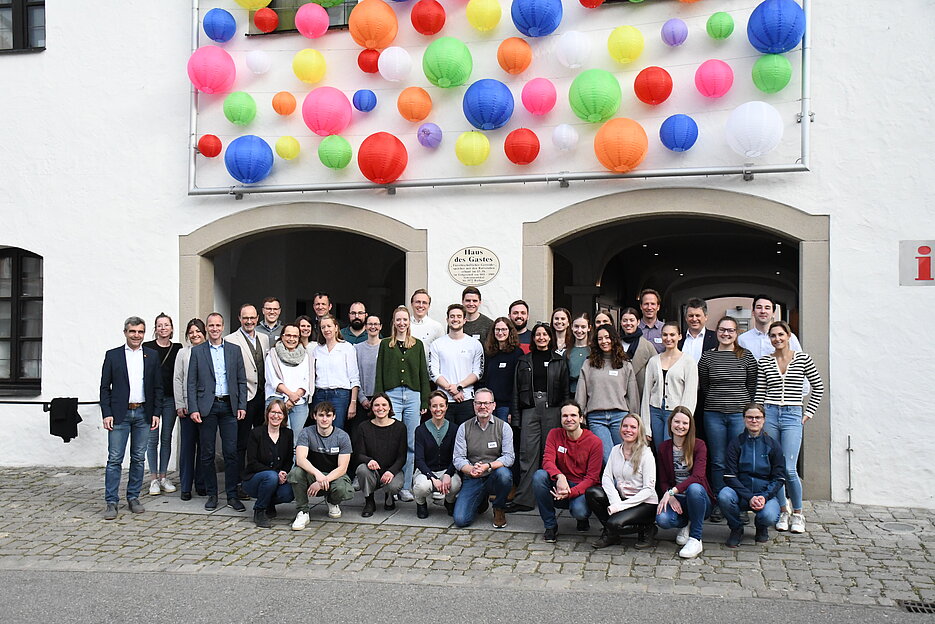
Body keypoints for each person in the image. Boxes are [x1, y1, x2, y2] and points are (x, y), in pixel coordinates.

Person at [756, 320, 824, 534]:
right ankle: (783, 510)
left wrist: (808, 413)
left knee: (789, 468)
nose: (777, 339)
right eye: (773, 336)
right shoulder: (765, 361)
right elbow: (760, 392)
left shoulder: (802, 359)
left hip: (793, 414)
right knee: (775, 466)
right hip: (770, 414)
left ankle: (798, 513)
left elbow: (818, 386)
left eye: (780, 335)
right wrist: (759, 418)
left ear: (788, 336)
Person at [100, 316, 163, 519]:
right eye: (133, 331)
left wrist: (156, 413)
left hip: (143, 413)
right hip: (120, 414)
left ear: (144, 333)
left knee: (138, 458)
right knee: (114, 459)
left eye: (140, 332)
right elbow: (104, 387)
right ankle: (111, 502)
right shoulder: (113, 355)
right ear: (125, 332)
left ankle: (133, 497)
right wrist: (107, 413)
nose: (136, 335)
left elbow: (158, 387)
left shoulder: (151, 355)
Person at [698, 316, 758, 522]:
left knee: (739, 460)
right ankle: (718, 502)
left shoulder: (746, 356)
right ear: (716, 332)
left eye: (730, 330)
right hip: (714, 414)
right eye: (722, 330)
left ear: (736, 333)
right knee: (717, 460)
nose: (726, 334)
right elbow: (705, 386)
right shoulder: (707, 357)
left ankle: (740, 503)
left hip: (738, 415)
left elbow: (752, 386)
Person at [187, 312, 248, 512]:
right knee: (207, 453)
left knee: (231, 453)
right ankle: (212, 494)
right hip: (208, 407)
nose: (214, 329)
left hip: (229, 406)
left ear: (223, 327)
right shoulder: (198, 352)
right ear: (207, 328)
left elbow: (241, 380)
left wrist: (242, 405)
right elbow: (191, 383)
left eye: (218, 325)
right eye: (211, 325)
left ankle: (232, 495)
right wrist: (193, 408)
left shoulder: (234, 350)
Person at [508, 322, 569, 512]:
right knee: (527, 453)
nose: (541, 337)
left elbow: (566, 391)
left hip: (553, 409)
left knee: (551, 454)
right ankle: (524, 499)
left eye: (545, 334)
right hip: (530, 408)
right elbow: (516, 390)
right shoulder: (524, 361)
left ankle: (555, 496)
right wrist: (516, 417)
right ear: (533, 338)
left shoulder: (559, 361)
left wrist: (565, 415)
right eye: (538, 335)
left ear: (550, 338)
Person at [374, 305, 432, 502]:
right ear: (394, 322)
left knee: (411, 442)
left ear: (409, 322)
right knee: (393, 440)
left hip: (413, 396)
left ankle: (405, 486)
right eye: (398, 319)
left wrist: (424, 399)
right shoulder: (385, 344)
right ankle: (391, 485)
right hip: (392, 397)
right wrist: (379, 399)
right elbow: (379, 372)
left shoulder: (417, 345)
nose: (401, 323)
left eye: (405, 319)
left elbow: (423, 373)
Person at [533, 401, 603, 543]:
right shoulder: (554, 434)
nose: (569, 419)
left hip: (581, 487)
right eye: (565, 416)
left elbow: (592, 478)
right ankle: (550, 526)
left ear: (581, 418)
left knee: (580, 512)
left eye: (573, 415)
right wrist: (560, 476)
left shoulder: (595, 442)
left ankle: (582, 519)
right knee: (539, 476)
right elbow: (547, 461)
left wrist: (571, 493)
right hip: (560, 483)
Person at [585, 414, 658, 549]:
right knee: (592, 493)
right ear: (620, 429)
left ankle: (647, 528)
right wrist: (615, 501)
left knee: (615, 523)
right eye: (625, 426)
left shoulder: (646, 454)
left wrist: (621, 507)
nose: (628, 430)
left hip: (644, 503)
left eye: (633, 427)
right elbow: (606, 477)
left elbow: (649, 489)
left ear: (639, 431)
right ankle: (611, 534)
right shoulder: (615, 450)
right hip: (621, 498)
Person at [719, 403, 785, 547]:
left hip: (764, 495)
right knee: (724, 496)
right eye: (750, 417)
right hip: (741, 494)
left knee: (769, 516)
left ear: (764, 419)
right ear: (744, 419)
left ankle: (761, 526)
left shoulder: (773, 445)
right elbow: (729, 476)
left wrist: (764, 496)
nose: (754, 420)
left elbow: (779, 477)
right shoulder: (735, 444)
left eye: (757, 417)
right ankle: (736, 528)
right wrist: (749, 497)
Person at [225, 303, 271, 499]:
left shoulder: (264, 338)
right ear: (239, 318)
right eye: (245, 318)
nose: (249, 321)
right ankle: (238, 483)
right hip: (244, 397)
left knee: (261, 440)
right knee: (241, 442)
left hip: (263, 396)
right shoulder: (230, 340)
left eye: (252, 318)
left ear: (258, 318)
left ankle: (258, 479)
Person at [575, 323, 640, 462]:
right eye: (600, 339)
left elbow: (632, 394)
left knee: (626, 456)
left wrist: (634, 418)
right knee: (608, 458)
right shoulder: (588, 364)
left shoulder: (625, 364)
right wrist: (579, 416)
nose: (604, 341)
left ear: (614, 339)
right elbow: (581, 392)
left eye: (607, 337)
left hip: (620, 417)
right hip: (596, 418)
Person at [654, 406, 713, 559]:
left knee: (694, 488)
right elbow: (663, 480)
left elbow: (698, 476)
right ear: (670, 423)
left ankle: (695, 538)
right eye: (677, 422)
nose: (680, 426)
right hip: (678, 500)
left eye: (685, 423)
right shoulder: (664, 447)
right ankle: (685, 523)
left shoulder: (699, 445)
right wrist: (671, 496)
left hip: (699, 499)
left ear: (690, 426)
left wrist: (672, 491)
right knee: (662, 520)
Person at [451, 388, 515, 528]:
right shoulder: (464, 427)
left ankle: (499, 507)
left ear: (493, 405)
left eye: (486, 403)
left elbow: (509, 457)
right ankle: (481, 500)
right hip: (472, 476)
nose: (482, 406)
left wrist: (488, 466)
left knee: (505, 475)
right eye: (479, 403)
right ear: (473, 405)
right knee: (461, 520)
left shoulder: (504, 427)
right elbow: (458, 458)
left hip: (494, 475)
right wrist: (470, 469)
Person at [289, 401, 356, 529]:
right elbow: (300, 460)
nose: (324, 419)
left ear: (334, 417)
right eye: (321, 415)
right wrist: (317, 475)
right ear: (314, 416)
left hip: (334, 476)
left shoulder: (342, 436)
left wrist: (322, 482)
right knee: (295, 473)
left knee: (342, 489)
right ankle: (303, 511)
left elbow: (342, 468)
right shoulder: (306, 432)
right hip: (313, 474)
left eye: (328, 415)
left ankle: (332, 501)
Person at [641, 321, 698, 451]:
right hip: (655, 411)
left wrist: (684, 420)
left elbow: (690, 394)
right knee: (659, 450)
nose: (668, 338)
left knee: (673, 450)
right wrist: (646, 425)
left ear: (680, 336)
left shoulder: (688, 362)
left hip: (675, 412)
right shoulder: (653, 361)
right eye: (665, 335)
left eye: (672, 335)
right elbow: (646, 393)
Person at [143, 312, 182, 496]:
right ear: (155, 328)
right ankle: (153, 479)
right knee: (152, 440)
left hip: (170, 399)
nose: (163, 328)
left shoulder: (177, 348)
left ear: (171, 328)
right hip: (152, 400)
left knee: (166, 438)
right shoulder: (147, 347)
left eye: (166, 325)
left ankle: (164, 476)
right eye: (160, 325)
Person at [242, 399, 295, 528]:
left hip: (277, 478)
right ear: (267, 414)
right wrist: (276, 473)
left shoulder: (288, 434)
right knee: (271, 476)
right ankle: (259, 510)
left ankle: (269, 503)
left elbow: (289, 459)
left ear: (284, 416)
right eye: (273, 412)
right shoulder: (256, 433)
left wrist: (284, 473)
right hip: (255, 479)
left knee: (289, 493)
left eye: (280, 413)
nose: (276, 416)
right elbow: (252, 462)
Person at [429, 304, 484, 426]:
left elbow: (478, 372)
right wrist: (452, 390)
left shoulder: (475, 344)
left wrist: (459, 387)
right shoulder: (437, 344)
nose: (455, 319)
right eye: (452, 316)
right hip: (443, 401)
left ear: (464, 320)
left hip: (466, 399)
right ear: (447, 319)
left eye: (459, 316)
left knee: (466, 435)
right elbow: (433, 372)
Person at [353, 393, 408, 517]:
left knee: (394, 486)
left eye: (384, 405)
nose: (380, 408)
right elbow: (358, 454)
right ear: (372, 408)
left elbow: (402, 457)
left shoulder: (400, 427)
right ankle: (369, 500)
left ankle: (389, 495)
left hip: (392, 470)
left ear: (389, 407)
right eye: (376, 405)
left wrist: (391, 471)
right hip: (373, 471)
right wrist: (368, 460)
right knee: (362, 470)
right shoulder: (364, 427)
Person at [412, 391, 462, 518]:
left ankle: (449, 501)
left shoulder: (454, 429)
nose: (438, 409)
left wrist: (448, 474)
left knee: (455, 484)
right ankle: (421, 503)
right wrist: (433, 478)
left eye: (441, 405)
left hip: (446, 470)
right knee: (422, 487)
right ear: (429, 407)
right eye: (434, 406)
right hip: (425, 471)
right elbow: (419, 459)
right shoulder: (421, 430)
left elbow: (456, 457)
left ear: (446, 407)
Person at [173, 318, 207, 501]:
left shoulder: (210, 350)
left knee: (204, 447)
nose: (195, 335)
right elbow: (177, 378)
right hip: (186, 407)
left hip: (205, 406)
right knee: (187, 447)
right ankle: (186, 486)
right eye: (191, 332)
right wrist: (180, 404)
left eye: (198, 331)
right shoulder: (182, 353)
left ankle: (201, 484)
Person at [311, 313, 360, 431]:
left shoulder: (347, 347)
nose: (326, 329)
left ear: (336, 328)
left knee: (337, 430)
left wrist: (353, 402)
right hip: (320, 394)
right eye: (323, 327)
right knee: (320, 429)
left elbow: (354, 377)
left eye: (329, 326)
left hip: (340, 395)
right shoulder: (317, 350)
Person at [264, 323, 312, 435]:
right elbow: (273, 380)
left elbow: (307, 379)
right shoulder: (272, 354)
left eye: (295, 336)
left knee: (295, 438)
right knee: (279, 438)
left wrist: (293, 399)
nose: (291, 339)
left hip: (299, 403)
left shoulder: (306, 356)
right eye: (288, 335)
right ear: (282, 336)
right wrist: (290, 395)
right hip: (277, 401)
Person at [738, 294, 803, 360]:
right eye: (759, 307)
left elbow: (800, 361)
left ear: (773, 313)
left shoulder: (789, 338)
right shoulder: (742, 340)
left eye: (767, 308)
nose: (763, 311)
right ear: (753, 312)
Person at [481, 317, 521, 423]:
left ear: (510, 331)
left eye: (504, 329)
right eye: (497, 329)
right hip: (489, 404)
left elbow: (518, 383)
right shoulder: (489, 353)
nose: (500, 332)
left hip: (506, 406)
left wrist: (513, 410)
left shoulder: (517, 353)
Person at [619, 306, 658, 397]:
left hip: (640, 393)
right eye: (625, 320)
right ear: (620, 322)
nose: (628, 323)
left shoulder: (647, 346)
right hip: (618, 393)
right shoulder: (614, 344)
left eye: (632, 320)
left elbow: (656, 373)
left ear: (638, 322)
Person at [355, 314, 383, 419]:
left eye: (376, 324)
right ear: (365, 327)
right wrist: (362, 398)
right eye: (370, 324)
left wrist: (378, 398)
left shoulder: (386, 347)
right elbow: (355, 375)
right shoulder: (357, 349)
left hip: (381, 400)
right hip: (362, 399)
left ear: (380, 327)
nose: (373, 327)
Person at [678, 298, 718, 363]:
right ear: (686, 318)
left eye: (697, 315)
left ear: (706, 317)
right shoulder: (678, 339)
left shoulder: (715, 338)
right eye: (691, 316)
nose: (694, 319)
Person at [566, 313, 591, 395]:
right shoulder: (567, 352)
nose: (579, 330)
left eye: (583, 327)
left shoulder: (594, 351)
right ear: (572, 327)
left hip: (590, 393)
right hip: (573, 393)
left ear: (589, 328)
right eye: (576, 326)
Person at [638, 288, 665, 354]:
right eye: (646, 304)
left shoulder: (665, 329)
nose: (649, 307)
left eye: (652, 304)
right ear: (641, 306)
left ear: (658, 307)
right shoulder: (634, 329)